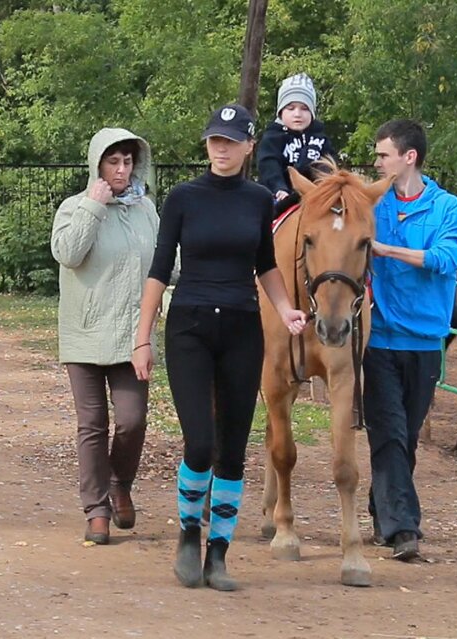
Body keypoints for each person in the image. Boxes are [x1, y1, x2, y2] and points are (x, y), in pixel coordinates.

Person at [131, 104, 306, 590]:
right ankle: (189, 535)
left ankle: (220, 554)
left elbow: (266, 265)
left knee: (233, 449)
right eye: (215, 141)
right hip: (189, 325)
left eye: (231, 141)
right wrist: (142, 338)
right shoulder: (184, 198)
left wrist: (286, 308)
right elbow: (159, 269)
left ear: (250, 146)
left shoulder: (258, 200)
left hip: (242, 327)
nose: (222, 149)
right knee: (201, 442)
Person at [366, 119, 457, 561]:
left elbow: (448, 258)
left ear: (409, 157)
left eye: (383, 155)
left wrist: (387, 251)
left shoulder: (449, 209)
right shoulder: (374, 207)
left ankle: (381, 509)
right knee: (388, 432)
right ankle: (403, 528)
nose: (377, 163)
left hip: (426, 341)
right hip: (379, 341)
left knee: (405, 437)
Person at [51, 129, 159, 545]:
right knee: (92, 424)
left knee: (132, 421)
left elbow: (166, 262)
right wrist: (94, 208)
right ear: (97, 164)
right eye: (113, 161)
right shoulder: (74, 207)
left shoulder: (146, 210)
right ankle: (96, 509)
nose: (121, 169)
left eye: (128, 162)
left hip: (134, 335)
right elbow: (68, 253)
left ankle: (120, 484)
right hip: (84, 332)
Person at [256, 73, 336, 209]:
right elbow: (269, 165)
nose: (297, 114)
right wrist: (279, 187)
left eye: (305, 108)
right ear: (281, 112)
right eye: (291, 108)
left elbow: (329, 165)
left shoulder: (320, 140)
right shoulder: (272, 137)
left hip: (315, 198)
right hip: (279, 196)